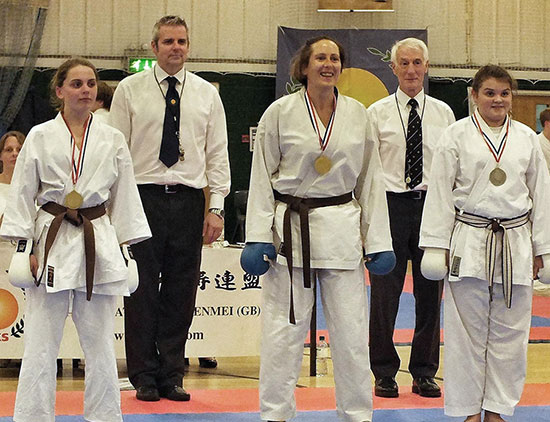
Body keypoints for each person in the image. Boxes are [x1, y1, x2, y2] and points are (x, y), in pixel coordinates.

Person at [241, 36, 394, 422]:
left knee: (351, 335)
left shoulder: (359, 114)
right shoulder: (279, 112)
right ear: (304, 66)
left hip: (342, 228)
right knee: (282, 334)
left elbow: (370, 181)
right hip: (292, 230)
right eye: (320, 58)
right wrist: (257, 235)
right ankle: (275, 414)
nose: (329, 64)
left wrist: (377, 239)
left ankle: (357, 414)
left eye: (335, 58)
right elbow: (261, 178)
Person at [0, 58, 151, 422]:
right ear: (60, 91)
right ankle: (33, 416)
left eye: (90, 84)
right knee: (40, 341)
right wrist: (24, 249)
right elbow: (21, 193)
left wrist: (126, 250)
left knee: (99, 343)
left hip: (96, 239)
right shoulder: (38, 135)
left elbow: (124, 196)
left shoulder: (113, 138)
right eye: (77, 84)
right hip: (50, 239)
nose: (85, 90)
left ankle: (104, 416)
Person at [109, 15, 230, 402]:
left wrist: (218, 207)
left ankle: (172, 373)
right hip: (142, 198)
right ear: (154, 47)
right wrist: (117, 209)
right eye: (167, 41)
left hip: (189, 199)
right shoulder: (129, 90)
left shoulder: (206, 93)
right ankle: (143, 374)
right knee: (140, 290)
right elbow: (117, 153)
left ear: (188, 47)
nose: (175, 47)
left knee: (181, 290)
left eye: (181, 41)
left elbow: (218, 154)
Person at [419, 65, 550, 422]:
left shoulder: (527, 139)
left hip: (515, 241)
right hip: (469, 240)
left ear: (512, 98)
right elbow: (441, 194)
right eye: (489, 93)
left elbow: (541, 193)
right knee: (466, 335)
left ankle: (497, 409)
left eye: (504, 93)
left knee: (511, 334)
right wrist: (436, 246)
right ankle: (467, 411)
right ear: (474, 95)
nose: (497, 100)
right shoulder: (455, 136)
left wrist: (545, 249)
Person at [365, 37, 455, 398]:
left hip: (431, 205)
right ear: (393, 68)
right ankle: (384, 371)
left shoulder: (444, 113)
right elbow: (368, 171)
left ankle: (424, 371)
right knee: (384, 294)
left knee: (430, 291)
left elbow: (450, 170)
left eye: (417, 63)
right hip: (389, 206)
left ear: (427, 66)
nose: (411, 70)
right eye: (404, 63)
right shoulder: (377, 113)